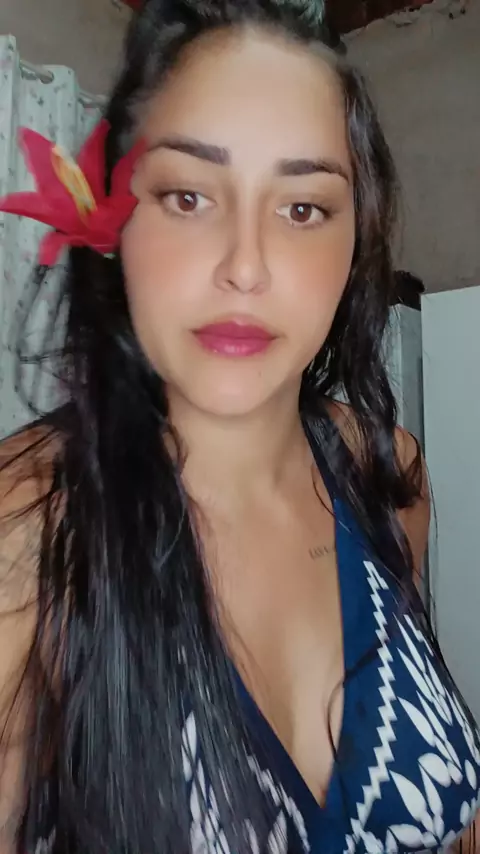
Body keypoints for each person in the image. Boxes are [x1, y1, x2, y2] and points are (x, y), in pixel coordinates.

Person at [0, 1, 478, 852]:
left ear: (355, 243)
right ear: (114, 222)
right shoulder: (25, 536)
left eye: (303, 209)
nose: (246, 267)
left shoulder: (386, 476)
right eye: (188, 196)